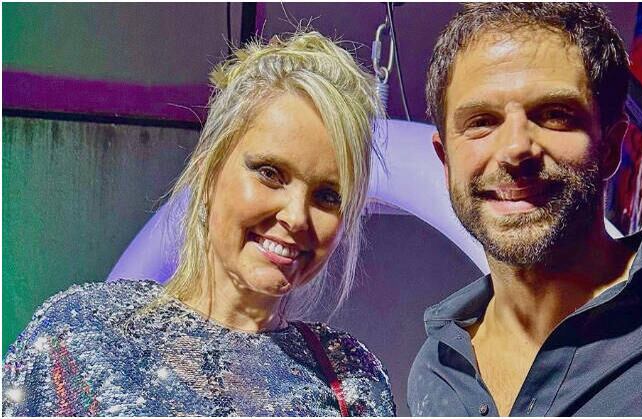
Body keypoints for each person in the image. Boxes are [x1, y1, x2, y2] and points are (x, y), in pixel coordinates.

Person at [3, 31, 395, 416]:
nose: (295, 217)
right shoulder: (84, 337)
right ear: (209, 170)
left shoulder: (353, 380)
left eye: (328, 196)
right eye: (270, 173)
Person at [408, 3, 642, 416]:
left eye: (554, 115)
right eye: (481, 121)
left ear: (610, 146)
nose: (515, 149)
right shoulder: (437, 370)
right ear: (446, 160)